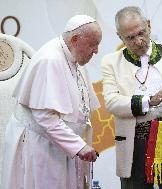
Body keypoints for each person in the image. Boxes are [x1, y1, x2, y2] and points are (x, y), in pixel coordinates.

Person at [1, 15, 102, 189]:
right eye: (93, 44)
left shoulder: (72, 57)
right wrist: (78, 146)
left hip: (61, 145)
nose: (96, 51)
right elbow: (45, 117)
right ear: (75, 39)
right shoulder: (50, 59)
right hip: (41, 147)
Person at [101, 6, 162, 189]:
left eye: (141, 33)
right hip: (134, 141)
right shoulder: (111, 62)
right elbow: (112, 102)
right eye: (130, 37)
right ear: (119, 36)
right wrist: (148, 101)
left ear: (149, 25)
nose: (138, 41)